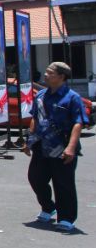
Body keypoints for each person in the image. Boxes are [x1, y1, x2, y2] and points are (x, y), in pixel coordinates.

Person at [23, 62, 86, 232]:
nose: (45, 74)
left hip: (62, 147)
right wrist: (29, 141)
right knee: (35, 178)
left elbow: (78, 123)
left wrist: (71, 147)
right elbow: (34, 118)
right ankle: (48, 207)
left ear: (61, 77)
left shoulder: (72, 97)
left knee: (63, 183)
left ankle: (66, 218)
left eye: (50, 72)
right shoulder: (41, 95)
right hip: (42, 146)